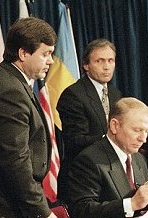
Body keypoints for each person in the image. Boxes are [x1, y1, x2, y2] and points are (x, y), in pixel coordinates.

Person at [0, 17, 60, 218]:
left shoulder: (13, 82)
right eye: (45, 54)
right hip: (9, 205)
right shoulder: (8, 90)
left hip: (15, 200)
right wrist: (41, 211)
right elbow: (15, 160)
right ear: (23, 53)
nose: (51, 61)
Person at [61, 97, 148, 218]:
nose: (143, 139)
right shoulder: (89, 160)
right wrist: (131, 204)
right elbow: (82, 212)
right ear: (114, 126)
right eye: (137, 130)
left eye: (147, 131)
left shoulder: (138, 157)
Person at [56, 39, 122, 195]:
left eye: (110, 60)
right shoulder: (73, 95)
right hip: (82, 178)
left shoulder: (115, 94)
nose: (106, 66)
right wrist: (112, 139)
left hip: (110, 176)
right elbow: (75, 140)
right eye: (100, 61)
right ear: (86, 65)